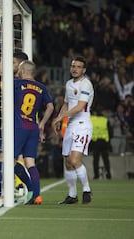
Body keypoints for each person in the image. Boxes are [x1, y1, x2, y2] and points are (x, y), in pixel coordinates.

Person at [0, 58, 54, 205]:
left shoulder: (17, 83)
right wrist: (42, 124)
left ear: (24, 70)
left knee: (7, 160)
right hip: (33, 127)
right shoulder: (41, 87)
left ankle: (2, 193)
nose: (17, 70)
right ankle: (36, 195)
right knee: (30, 162)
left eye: (19, 68)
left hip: (18, 127)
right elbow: (50, 107)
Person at [52, 56, 94, 204]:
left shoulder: (86, 84)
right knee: (67, 162)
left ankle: (87, 190)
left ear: (84, 70)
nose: (75, 69)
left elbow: (79, 106)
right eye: (73, 66)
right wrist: (60, 118)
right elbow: (66, 104)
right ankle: (72, 195)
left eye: (78, 67)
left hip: (82, 125)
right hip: (70, 126)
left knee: (74, 159)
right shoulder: (69, 83)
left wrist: (60, 117)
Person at [90, 109, 112, 179]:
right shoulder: (105, 120)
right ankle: (108, 174)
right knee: (106, 159)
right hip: (104, 142)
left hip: (95, 142)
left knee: (96, 160)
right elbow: (110, 132)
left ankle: (96, 175)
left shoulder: (92, 119)